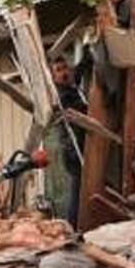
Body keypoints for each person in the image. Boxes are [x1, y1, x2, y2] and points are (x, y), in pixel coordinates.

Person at [51, 56, 85, 227]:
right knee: (77, 190)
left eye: (65, 68)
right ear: (53, 77)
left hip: (76, 145)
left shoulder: (70, 86)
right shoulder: (63, 96)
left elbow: (76, 74)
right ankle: (72, 226)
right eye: (58, 70)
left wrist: (88, 52)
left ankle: (75, 224)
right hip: (72, 149)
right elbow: (81, 110)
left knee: (80, 188)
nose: (64, 73)